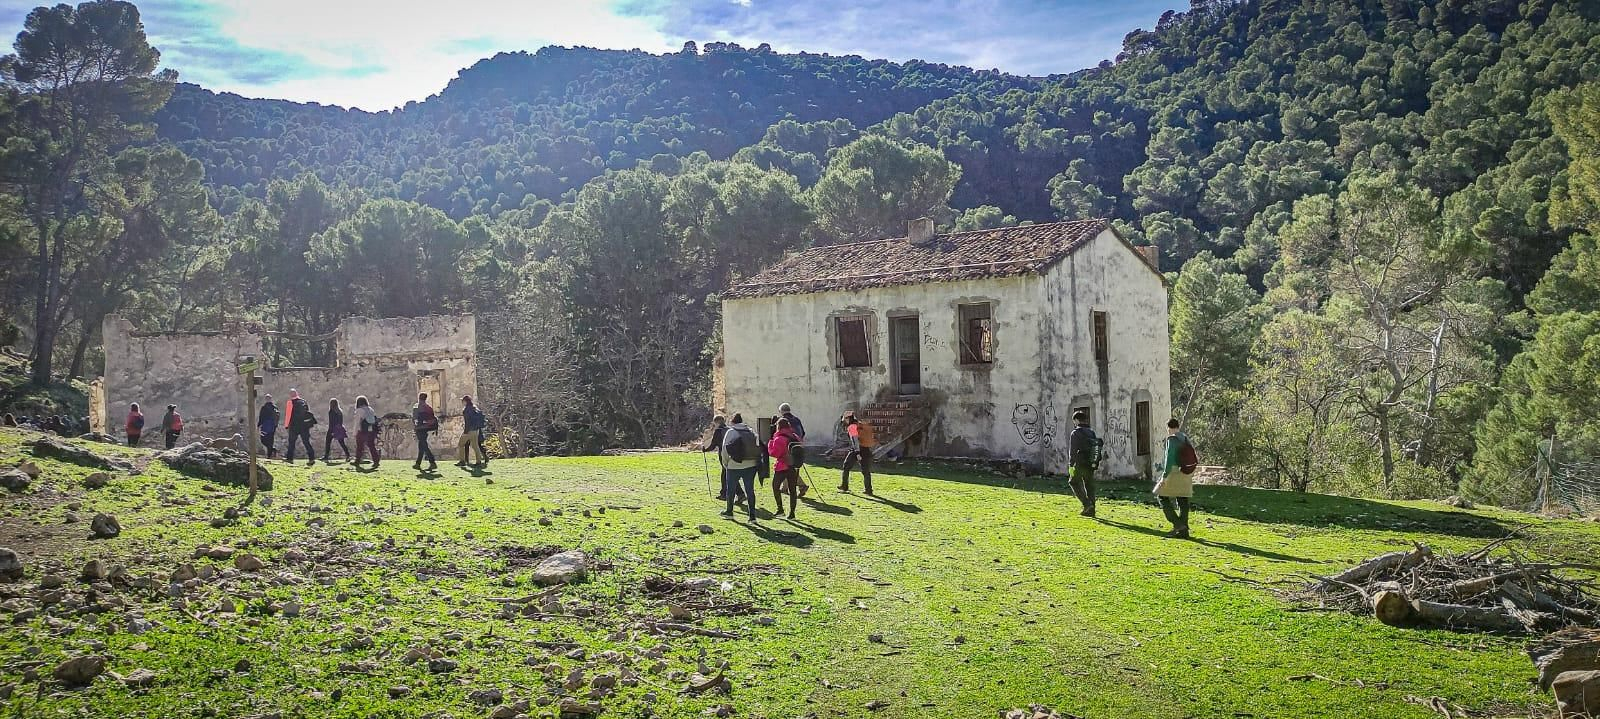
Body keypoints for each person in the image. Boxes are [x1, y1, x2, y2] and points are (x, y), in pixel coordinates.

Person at [1156, 418, 1197, 539]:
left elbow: (1169, 459)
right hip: (1186, 471)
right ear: (1178, 426)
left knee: (1161, 496)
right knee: (1183, 500)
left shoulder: (1172, 440)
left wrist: (1164, 476)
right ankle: (1184, 531)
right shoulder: (1185, 438)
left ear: (1168, 428)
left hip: (1174, 472)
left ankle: (1178, 524)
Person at [720, 413, 761, 521]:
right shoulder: (751, 431)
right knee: (750, 490)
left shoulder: (731, 432)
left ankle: (729, 512)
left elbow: (725, 449)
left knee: (731, 490)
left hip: (734, 465)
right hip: (751, 464)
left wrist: (726, 464)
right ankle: (752, 516)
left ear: (732, 422)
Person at [701, 415, 744, 503]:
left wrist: (705, 449)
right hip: (732, 454)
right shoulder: (729, 429)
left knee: (726, 475)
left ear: (716, 422)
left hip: (723, 454)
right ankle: (730, 494)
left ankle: (734, 494)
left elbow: (713, 445)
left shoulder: (718, 431)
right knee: (728, 474)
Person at [767, 417, 802, 519]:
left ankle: (780, 509)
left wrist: (770, 442)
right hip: (794, 466)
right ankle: (792, 513)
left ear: (778, 426)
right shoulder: (795, 436)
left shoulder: (779, 439)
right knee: (793, 490)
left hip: (782, 466)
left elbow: (774, 453)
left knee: (775, 486)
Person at [1067, 411, 1099, 517]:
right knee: (1089, 485)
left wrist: (1071, 465)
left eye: (1074, 421)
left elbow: (1073, 451)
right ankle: (1091, 510)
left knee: (1073, 482)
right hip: (1091, 463)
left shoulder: (1075, 433)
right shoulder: (1091, 432)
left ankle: (1087, 504)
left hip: (1080, 463)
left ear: (1076, 420)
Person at [839, 411, 875, 495]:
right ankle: (869, 490)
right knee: (866, 471)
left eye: (845, 419)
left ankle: (844, 486)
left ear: (848, 419)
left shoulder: (852, 427)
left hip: (857, 450)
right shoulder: (859, 424)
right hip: (866, 449)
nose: (844, 421)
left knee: (846, 466)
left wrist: (857, 453)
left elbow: (855, 441)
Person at [283, 389, 317, 466]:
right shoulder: (303, 401)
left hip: (294, 426)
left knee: (291, 443)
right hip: (304, 426)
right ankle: (311, 458)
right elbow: (307, 412)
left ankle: (289, 458)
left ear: (290, 395)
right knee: (306, 442)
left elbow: (288, 415)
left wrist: (286, 426)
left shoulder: (290, 402)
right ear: (297, 394)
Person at [412, 392, 439, 471]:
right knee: (422, 446)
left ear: (419, 398)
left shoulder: (417, 407)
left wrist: (415, 426)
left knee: (424, 445)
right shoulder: (428, 407)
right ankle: (418, 463)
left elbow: (415, 419)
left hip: (420, 428)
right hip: (427, 428)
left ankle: (432, 462)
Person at [352, 395, 381, 468]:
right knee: (371, 446)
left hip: (362, 431)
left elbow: (357, 422)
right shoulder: (370, 409)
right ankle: (376, 460)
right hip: (371, 431)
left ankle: (357, 461)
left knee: (359, 447)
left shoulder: (359, 410)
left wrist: (355, 432)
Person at [458, 394, 485, 468]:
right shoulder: (475, 407)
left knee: (460, 444)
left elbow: (467, 422)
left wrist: (466, 431)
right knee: (475, 446)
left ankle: (462, 461)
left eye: (462, 401)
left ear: (465, 401)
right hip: (476, 430)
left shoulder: (466, 410)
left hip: (469, 430)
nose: (462, 402)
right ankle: (479, 461)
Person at [322, 398, 350, 463]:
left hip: (332, 429)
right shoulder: (340, 411)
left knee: (328, 442)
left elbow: (331, 422)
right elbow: (340, 421)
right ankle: (348, 455)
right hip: (339, 428)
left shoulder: (331, 412)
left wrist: (331, 431)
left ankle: (326, 456)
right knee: (342, 443)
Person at [258, 395, 280, 459]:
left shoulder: (264, 408)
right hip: (273, 426)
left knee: (263, 440)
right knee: (270, 440)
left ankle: (270, 454)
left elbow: (261, 417)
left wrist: (259, 425)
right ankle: (271, 451)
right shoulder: (275, 407)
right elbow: (277, 417)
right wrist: (276, 425)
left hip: (265, 426)